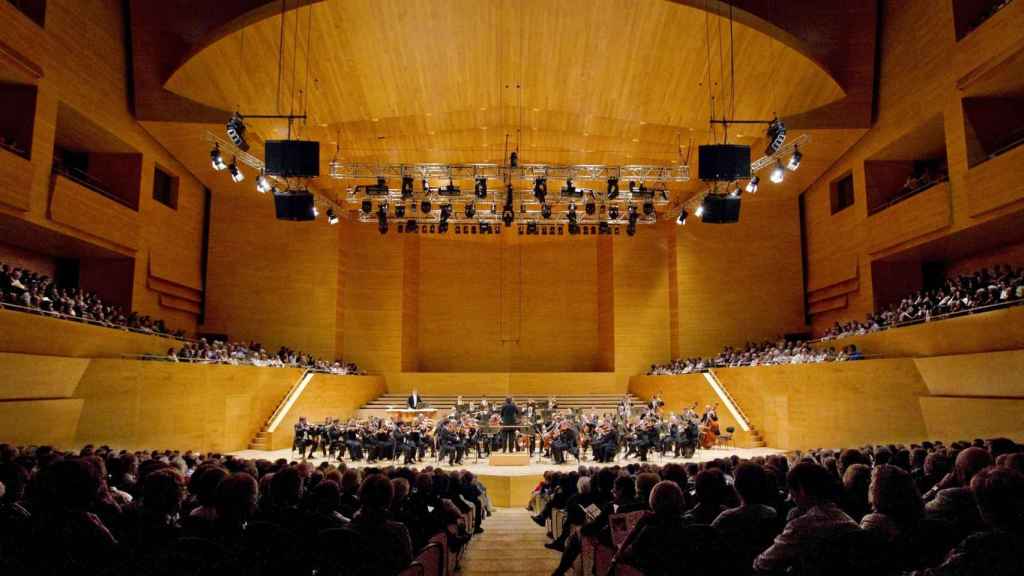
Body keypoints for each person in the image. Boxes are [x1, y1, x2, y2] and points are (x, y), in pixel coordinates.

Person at [753, 462, 861, 574]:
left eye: (792, 491)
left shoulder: (800, 527)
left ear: (802, 490)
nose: (792, 497)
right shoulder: (850, 522)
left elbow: (763, 563)